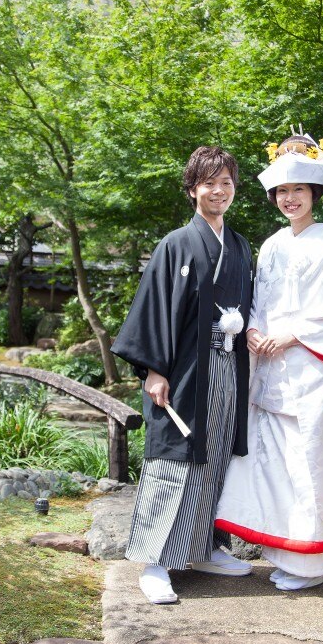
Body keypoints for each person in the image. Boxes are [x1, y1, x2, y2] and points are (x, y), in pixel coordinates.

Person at [215, 131, 323, 591]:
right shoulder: (270, 245)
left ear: (314, 194)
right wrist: (252, 328)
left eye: (299, 191)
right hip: (269, 364)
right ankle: (283, 554)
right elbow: (259, 300)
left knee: (308, 460)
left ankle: (312, 566)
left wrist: (292, 335)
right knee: (274, 462)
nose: (290, 199)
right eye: (283, 191)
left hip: (310, 367)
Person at [111, 146, 255, 604]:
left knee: (216, 458)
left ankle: (207, 548)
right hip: (186, 369)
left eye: (227, 182)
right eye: (210, 182)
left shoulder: (239, 246)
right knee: (176, 456)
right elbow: (153, 310)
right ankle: (156, 562)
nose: (219, 190)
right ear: (193, 189)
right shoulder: (176, 244)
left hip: (228, 365)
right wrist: (154, 371)